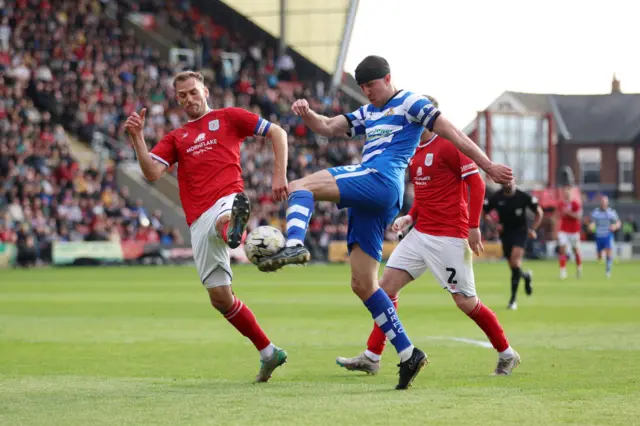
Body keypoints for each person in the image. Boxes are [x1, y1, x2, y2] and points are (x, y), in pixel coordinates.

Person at [260, 55, 513, 389]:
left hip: (381, 180)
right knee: (365, 284)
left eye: (372, 85)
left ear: (388, 78)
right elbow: (329, 127)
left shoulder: (410, 102)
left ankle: (293, 244)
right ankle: (406, 354)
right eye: (362, 87)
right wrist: (308, 114)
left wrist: (487, 165)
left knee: (299, 186)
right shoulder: (369, 112)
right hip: (392, 210)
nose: (367, 92)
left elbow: (451, 130)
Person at [124, 70, 289, 383]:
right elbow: (151, 173)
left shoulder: (230, 117)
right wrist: (137, 138)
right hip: (197, 220)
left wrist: (279, 175)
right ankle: (269, 352)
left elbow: (277, 133)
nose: (188, 99)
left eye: (192, 92)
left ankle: (233, 230)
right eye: (182, 95)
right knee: (220, 298)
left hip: (228, 197)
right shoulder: (177, 137)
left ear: (205, 91)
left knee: (224, 218)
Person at [336, 102, 520, 377]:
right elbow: (424, 196)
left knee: (466, 302)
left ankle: (507, 354)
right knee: (384, 290)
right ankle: (372, 356)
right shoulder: (413, 151)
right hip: (420, 235)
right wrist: (410, 217)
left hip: (449, 237)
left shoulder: (450, 144)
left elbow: (477, 183)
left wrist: (473, 226)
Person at [483, 179, 542, 310]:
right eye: (505, 182)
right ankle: (526, 276)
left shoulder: (523, 197)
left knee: (515, 262)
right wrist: (494, 226)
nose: (508, 184)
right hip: (505, 233)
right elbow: (484, 212)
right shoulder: (496, 197)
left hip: (521, 232)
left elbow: (539, 212)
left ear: (514, 182)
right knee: (513, 267)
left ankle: (513, 300)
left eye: (510, 182)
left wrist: (533, 229)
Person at [589, 195, 621, 278]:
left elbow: (618, 223)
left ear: (607, 203)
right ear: (600, 203)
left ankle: (608, 270)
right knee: (599, 256)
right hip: (599, 235)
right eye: (602, 202)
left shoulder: (611, 212)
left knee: (608, 251)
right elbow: (592, 222)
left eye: (605, 202)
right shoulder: (595, 212)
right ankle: (604, 260)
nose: (603, 204)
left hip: (607, 234)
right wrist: (591, 226)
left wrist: (615, 226)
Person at [556, 185, 583, 279]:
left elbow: (579, 216)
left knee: (575, 250)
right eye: (565, 192)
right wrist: (562, 213)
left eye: (568, 192)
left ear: (570, 193)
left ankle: (579, 269)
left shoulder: (575, 204)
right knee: (562, 250)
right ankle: (563, 272)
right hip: (563, 230)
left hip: (574, 231)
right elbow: (558, 215)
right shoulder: (560, 204)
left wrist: (569, 213)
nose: (566, 194)